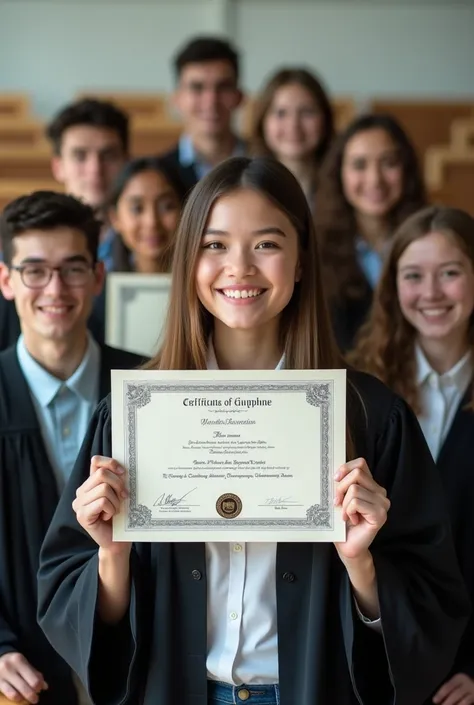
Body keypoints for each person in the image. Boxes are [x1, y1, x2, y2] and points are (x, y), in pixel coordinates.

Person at [37, 158, 468, 705]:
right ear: (188, 260)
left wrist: (362, 563)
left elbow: (432, 607)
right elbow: (72, 604)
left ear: (302, 260)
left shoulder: (369, 416)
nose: (239, 268)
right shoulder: (132, 416)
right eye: (214, 245)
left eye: (266, 244)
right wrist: (112, 556)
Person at [0, 191, 144, 705]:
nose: (55, 288)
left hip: (138, 666)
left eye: (73, 269)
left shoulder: (152, 389)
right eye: (34, 270)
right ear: (6, 279)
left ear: (99, 277)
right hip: (25, 674)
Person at [349, 205, 474, 705]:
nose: (432, 293)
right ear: (391, 287)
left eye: (451, 273)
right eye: (413, 276)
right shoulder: (363, 396)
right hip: (378, 653)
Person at [315, 114, 427, 351]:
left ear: (406, 169)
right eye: (359, 165)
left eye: (388, 163)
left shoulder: (429, 242)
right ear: (340, 174)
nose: (375, 179)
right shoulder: (314, 249)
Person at [89, 156, 187, 338]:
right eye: (137, 209)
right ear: (115, 218)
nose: (152, 222)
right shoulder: (98, 297)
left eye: (167, 206)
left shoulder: (205, 291)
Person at [46, 97, 130, 270]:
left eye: (108, 155)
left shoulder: (152, 241)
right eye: (80, 156)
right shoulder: (30, 244)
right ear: (58, 167)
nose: (95, 169)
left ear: (127, 162)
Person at [160, 36, 245, 191]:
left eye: (223, 87)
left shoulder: (267, 167)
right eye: (197, 88)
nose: (211, 101)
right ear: (177, 99)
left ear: (239, 97)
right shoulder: (158, 174)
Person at [251, 67, 334, 205]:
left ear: (325, 119)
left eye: (307, 112)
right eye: (281, 113)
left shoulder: (346, 186)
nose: (293, 125)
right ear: (262, 121)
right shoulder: (245, 187)